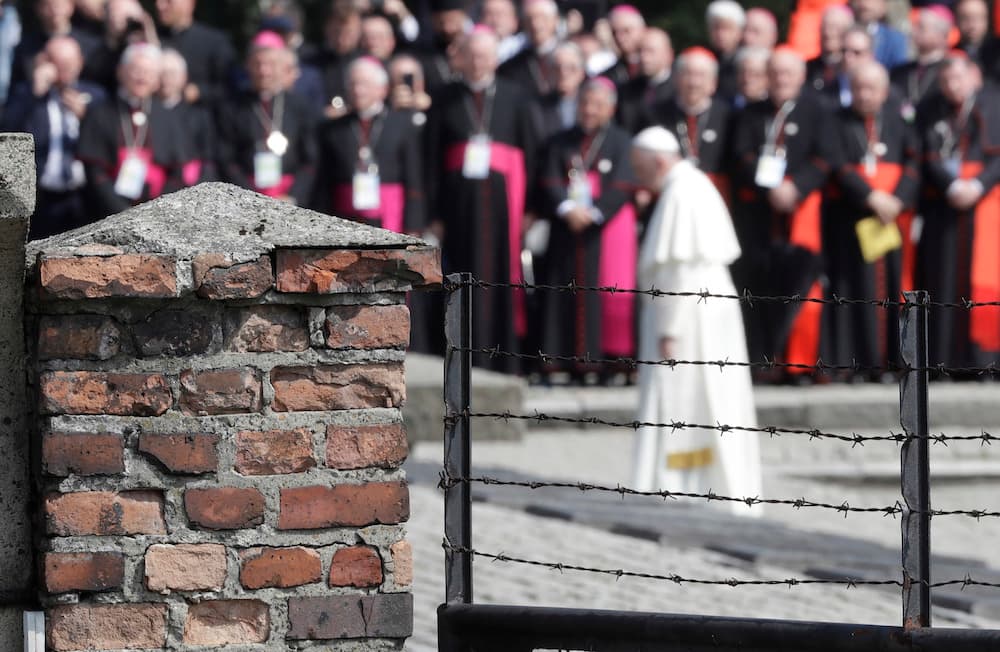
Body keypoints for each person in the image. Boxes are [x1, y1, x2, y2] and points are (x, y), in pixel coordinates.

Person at [629, 125, 761, 516]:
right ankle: (709, 484)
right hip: (705, 311)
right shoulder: (692, 185)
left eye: (640, 168)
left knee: (688, 402)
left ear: (657, 161)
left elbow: (679, 269)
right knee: (712, 401)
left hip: (689, 316)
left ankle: (682, 486)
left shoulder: (682, 192)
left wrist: (669, 329)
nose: (639, 177)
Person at [425, 27, 541, 372]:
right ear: (460, 58)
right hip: (458, 209)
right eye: (471, 54)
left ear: (495, 57)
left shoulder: (517, 96)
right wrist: (434, 213)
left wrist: (532, 209)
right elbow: (431, 158)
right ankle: (463, 353)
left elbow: (532, 154)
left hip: (506, 207)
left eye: (484, 55)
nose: (478, 61)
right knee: (461, 274)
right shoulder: (445, 98)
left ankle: (503, 359)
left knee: (503, 281)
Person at [730, 47, 833, 383]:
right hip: (761, 218)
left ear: (801, 77)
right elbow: (741, 156)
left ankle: (799, 365)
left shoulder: (817, 111)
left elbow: (824, 157)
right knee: (760, 289)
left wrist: (795, 189)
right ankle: (764, 362)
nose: (780, 80)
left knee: (803, 290)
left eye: (787, 74)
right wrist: (769, 189)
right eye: (774, 74)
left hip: (801, 215)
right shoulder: (751, 112)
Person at [822, 61, 920, 379]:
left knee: (892, 289)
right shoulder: (836, 122)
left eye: (872, 88)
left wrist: (897, 199)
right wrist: (870, 196)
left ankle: (892, 362)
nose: (865, 94)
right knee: (855, 289)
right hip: (852, 219)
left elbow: (914, 163)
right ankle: (858, 363)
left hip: (891, 219)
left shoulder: (898, 121)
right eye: (859, 88)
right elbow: (838, 164)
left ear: (884, 90)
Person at [536, 78, 638, 380]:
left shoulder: (621, 141)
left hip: (602, 230)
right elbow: (549, 179)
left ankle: (600, 364)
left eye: (596, 104)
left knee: (601, 296)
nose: (589, 110)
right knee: (560, 294)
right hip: (566, 226)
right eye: (584, 103)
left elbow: (623, 184)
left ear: (610, 108)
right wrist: (568, 209)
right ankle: (559, 362)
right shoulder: (559, 140)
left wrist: (594, 212)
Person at [916, 52, 1000, 369]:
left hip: (985, 204)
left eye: (958, 78)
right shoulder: (931, 111)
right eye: (946, 80)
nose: (953, 86)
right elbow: (929, 155)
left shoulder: (993, 105)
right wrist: (952, 186)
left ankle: (984, 360)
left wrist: (978, 185)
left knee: (984, 281)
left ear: (973, 77)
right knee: (946, 280)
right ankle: (947, 360)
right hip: (946, 206)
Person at [2, 35, 105, 238]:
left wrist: (87, 118)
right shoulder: (27, 94)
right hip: (43, 194)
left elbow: (108, 138)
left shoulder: (96, 96)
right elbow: (8, 130)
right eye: (59, 62)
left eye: (70, 63)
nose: (65, 69)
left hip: (83, 193)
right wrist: (34, 92)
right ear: (45, 62)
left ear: (80, 63)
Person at [315, 56, 425, 234]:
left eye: (364, 84)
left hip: (389, 219)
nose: (358, 90)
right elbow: (325, 182)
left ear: (382, 89)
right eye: (353, 84)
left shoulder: (402, 124)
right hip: (344, 220)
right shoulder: (333, 129)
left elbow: (413, 179)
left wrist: (414, 225)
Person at [76, 42, 188, 218]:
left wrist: (156, 210)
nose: (142, 77)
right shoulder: (100, 112)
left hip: (157, 214)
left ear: (157, 78)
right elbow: (95, 173)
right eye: (136, 70)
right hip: (105, 214)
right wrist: (121, 213)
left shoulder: (168, 117)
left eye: (149, 72)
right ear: (121, 71)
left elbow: (176, 172)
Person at [216, 31, 317, 205]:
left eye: (270, 64)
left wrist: (293, 195)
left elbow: (310, 159)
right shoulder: (232, 107)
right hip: (245, 198)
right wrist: (248, 196)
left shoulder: (299, 106)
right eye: (257, 64)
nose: (264, 71)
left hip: (289, 199)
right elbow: (227, 158)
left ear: (281, 67)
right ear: (248, 66)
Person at [652, 46, 732, 200]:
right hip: (670, 196)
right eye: (688, 74)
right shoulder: (658, 114)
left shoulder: (728, 117)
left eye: (701, 75)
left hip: (714, 198)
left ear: (713, 82)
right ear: (676, 78)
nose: (694, 82)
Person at [155, 0, 237, 107]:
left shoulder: (214, 41)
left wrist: (200, 92)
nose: (160, 6)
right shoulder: (152, 39)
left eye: (168, 1)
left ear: (189, 3)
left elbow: (230, 87)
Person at [159, 47, 214, 186]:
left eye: (172, 74)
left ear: (184, 77)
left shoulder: (199, 115)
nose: (166, 79)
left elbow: (208, 158)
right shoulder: (145, 112)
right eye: (161, 73)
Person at [890, 5, 952, 115]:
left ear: (941, 35)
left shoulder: (949, 71)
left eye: (921, 27)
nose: (913, 31)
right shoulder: (900, 72)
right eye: (915, 26)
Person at [615, 27, 674, 134]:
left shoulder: (678, 90)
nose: (644, 57)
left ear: (668, 55)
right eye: (640, 51)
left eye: (650, 51)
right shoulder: (626, 90)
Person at [498, 0, 561, 98]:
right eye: (529, 19)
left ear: (556, 20)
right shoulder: (512, 67)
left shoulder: (569, 58)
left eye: (542, 18)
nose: (536, 24)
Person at [537, 41, 587, 137]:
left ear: (582, 72)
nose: (564, 74)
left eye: (571, 68)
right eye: (557, 68)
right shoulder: (537, 108)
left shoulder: (591, 106)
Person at [806, 4, 854, 95]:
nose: (828, 33)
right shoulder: (807, 70)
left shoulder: (855, 69)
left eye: (836, 28)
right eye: (824, 27)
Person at [850, 0, 908, 70]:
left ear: (883, 6)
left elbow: (898, 71)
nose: (864, 4)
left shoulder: (894, 39)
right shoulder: (843, 33)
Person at [705, 0, 745, 101]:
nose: (720, 34)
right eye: (716, 28)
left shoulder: (746, 63)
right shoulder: (703, 60)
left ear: (739, 31)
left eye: (727, 28)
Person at [599, 4, 645, 85]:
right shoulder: (607, 76)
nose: (619, 38)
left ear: (642, 29)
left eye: (626, 30)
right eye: (614, 32)